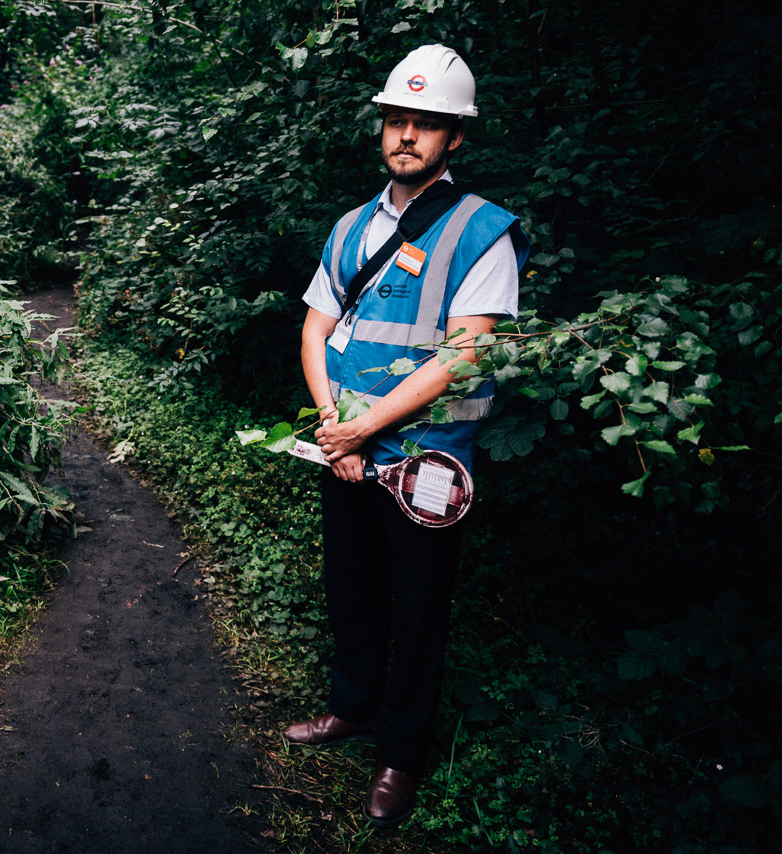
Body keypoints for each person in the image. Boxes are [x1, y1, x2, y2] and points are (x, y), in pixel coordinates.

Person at [285, 44, 530, 828]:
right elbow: (316, 328)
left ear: (455, 136)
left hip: (427, 465)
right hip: (346, 453)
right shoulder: (351, 226)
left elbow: (467, 353)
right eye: (397, 118)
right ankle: (352, 710)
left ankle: (400, 755)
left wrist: (363, 427)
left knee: (419, 611)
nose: (407, 134)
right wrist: (334, 426)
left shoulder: (480, 231)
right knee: (351, 591)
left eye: (427, 123)